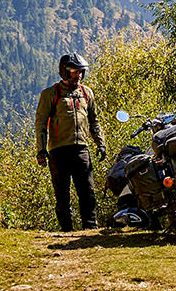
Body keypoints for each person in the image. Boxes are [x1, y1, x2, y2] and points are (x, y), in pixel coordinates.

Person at [36, 52, 107, 231]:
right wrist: (41, 150)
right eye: (75, 72)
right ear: (65, 72)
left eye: (81, 72)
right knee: (62, 195)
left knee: (87, 192)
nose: (79, 76)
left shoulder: (86, 93)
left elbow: (94, 121)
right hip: (58, 151)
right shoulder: (50, 94)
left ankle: (90, 229)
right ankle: (66, 230)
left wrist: (101, 143)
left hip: (82, 149)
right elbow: (41, 124)